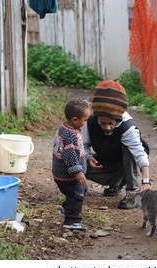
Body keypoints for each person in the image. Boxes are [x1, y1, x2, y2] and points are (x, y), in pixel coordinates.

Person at [81, 80, 151, 209]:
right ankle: (116, 183)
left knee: (129, 149)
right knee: (76, 162)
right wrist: (88, 156)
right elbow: (83, 145)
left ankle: (132, 192)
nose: (107, 127)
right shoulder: (91, 122)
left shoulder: (127, 127)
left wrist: (146, 181)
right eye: (103, 123)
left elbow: (140, 155)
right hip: (106, 161)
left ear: (117, 120)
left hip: (126, 163)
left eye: (110, 123)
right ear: (97, 118)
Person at [52, 98, 91, 230]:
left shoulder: (65, 128)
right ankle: (72, 220)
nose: (86, 123)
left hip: (62, 174)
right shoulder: (70, 135)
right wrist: (78, 172)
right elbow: (69, 156)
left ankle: (66, 208)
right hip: (69, 176)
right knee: (77, 194)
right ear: (75, 120)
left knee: (83, 189)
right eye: (85, 120)